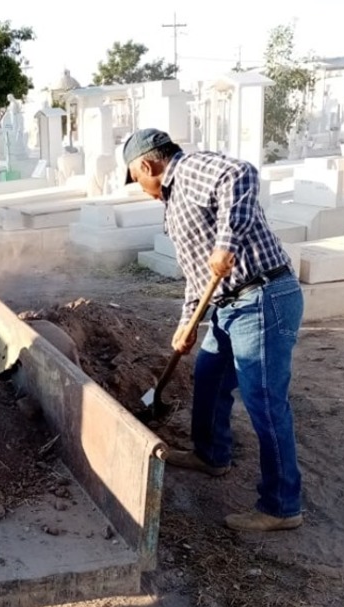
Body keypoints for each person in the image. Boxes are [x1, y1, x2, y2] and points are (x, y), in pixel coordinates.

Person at [123, 128, 304, 533]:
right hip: (228, 305)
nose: (141, 189)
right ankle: (211, 455)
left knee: (265, 402)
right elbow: (198, 275)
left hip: (261, 298)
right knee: (208, 378)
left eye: (136, 180)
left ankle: (282, 506)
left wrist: (226, 243)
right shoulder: (173, 201)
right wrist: (187, 323)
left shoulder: (189, 170)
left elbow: (241, 173)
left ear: (146, 166)